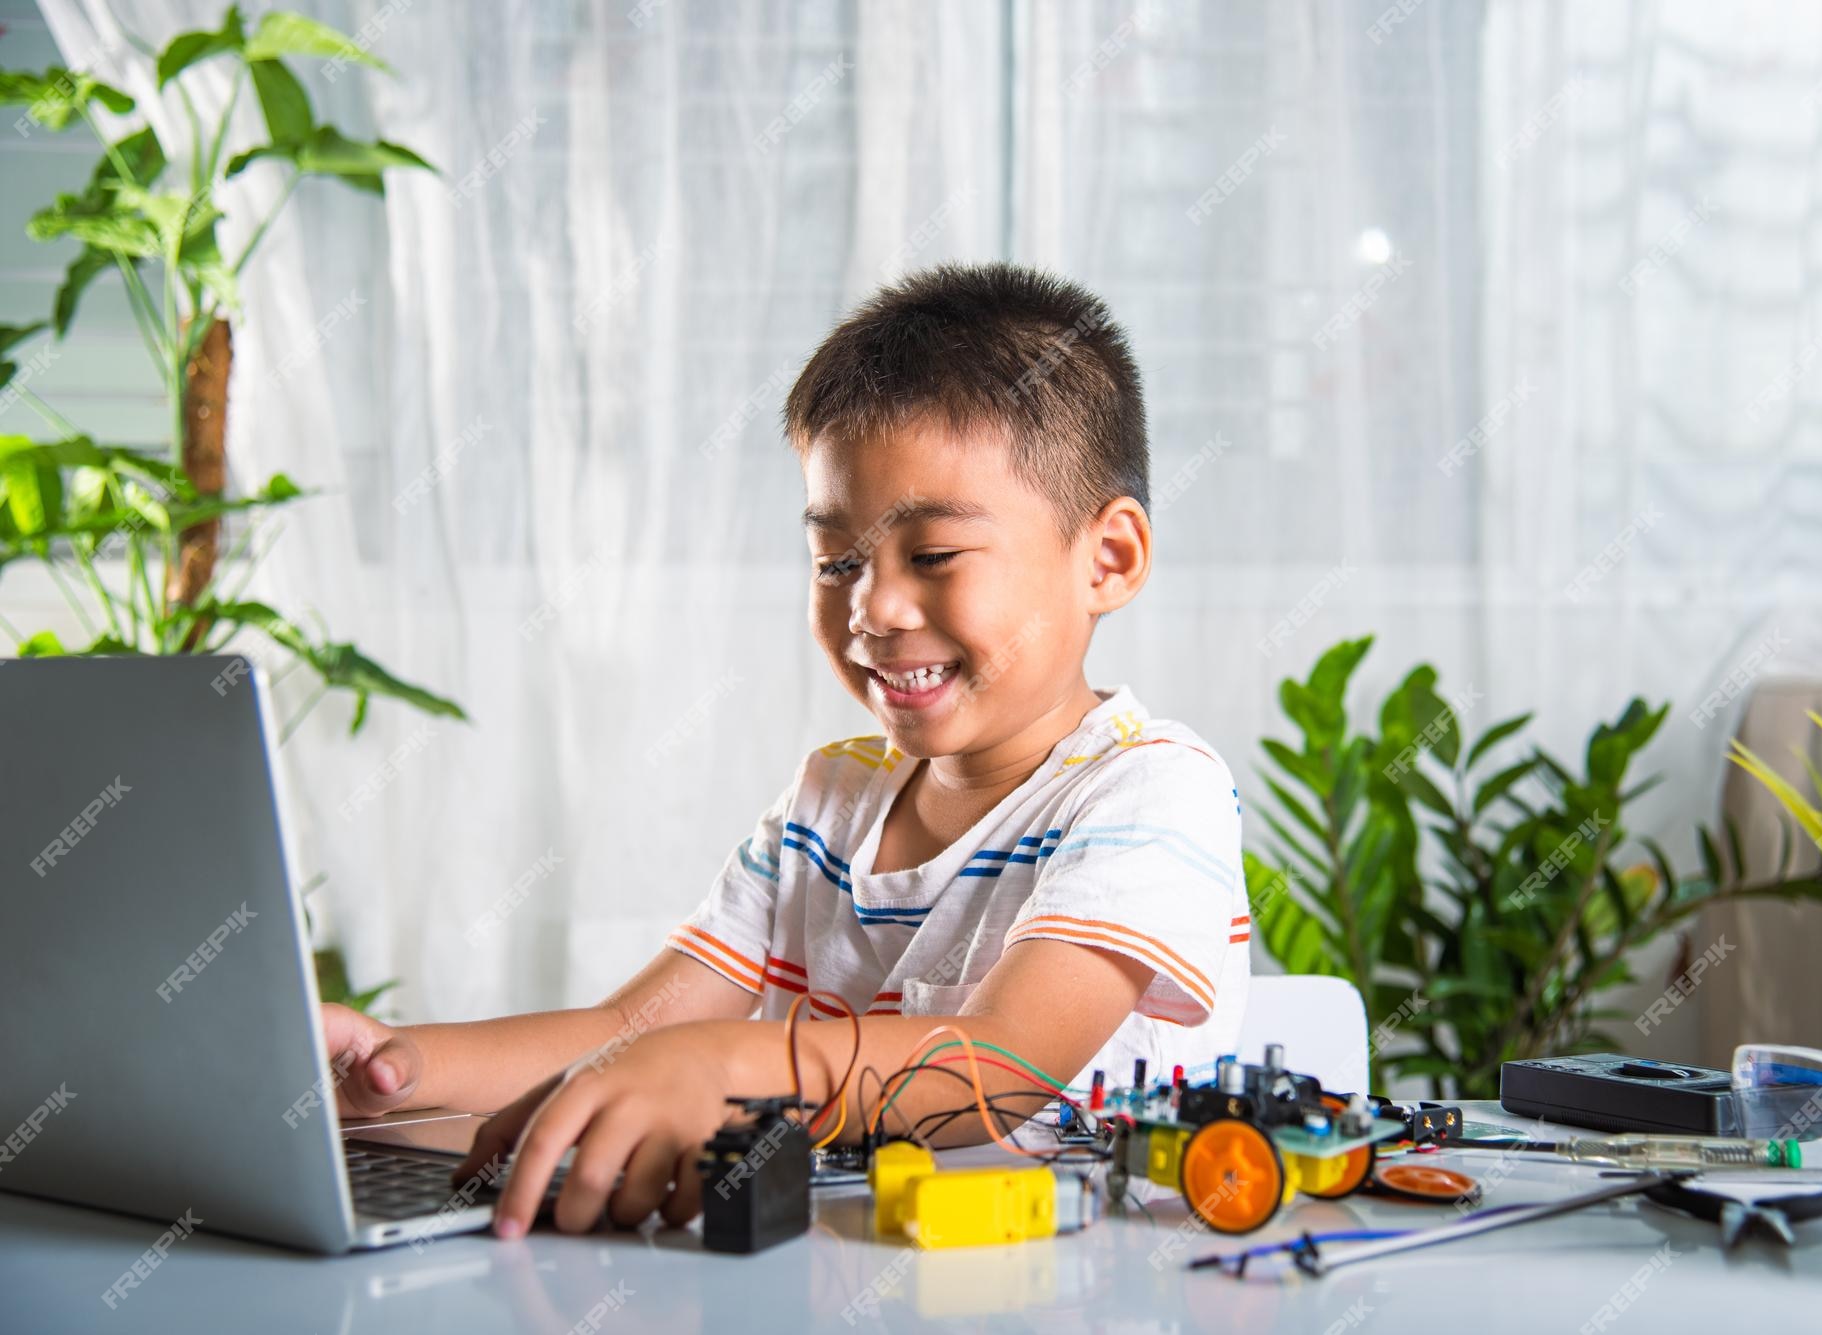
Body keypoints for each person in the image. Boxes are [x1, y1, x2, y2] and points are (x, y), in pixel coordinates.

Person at [319, 262, 1250, 1238]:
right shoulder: (828, 797)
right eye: (837, 561)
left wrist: (731, 1067)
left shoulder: (1151, 792)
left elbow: (1006, 1066)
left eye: (931, 555)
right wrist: (388, 1068)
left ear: (1107, 559)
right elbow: (629, 1036)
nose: (872, 608)